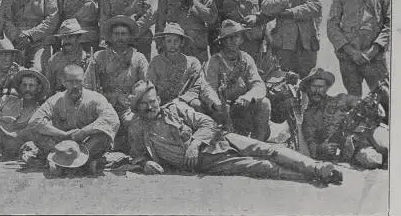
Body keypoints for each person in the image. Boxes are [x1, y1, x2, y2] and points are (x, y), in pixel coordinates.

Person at [125, 81, 342, 185]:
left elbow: (206, 122)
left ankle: (317, 167)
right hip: (206, 163)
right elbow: (134, 153)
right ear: (136, 108)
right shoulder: (137, 127)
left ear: (158, 100)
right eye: (143, 104)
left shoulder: (175, 108)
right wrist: (144, 163)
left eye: (152, 101)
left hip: (220, 139)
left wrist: (194, 143)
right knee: (261, 166)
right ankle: (312, 178)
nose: (150, 107)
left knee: (268, 149)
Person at [28, 64, 120, 171]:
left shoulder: (95, 98)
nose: (75, 85)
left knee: (104, 135)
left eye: (78, 81)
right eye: (70, 82)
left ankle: (64, 163)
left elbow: (112, 119)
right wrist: (62, 134)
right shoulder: (55, 100)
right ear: (63, 82)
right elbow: (34, 122)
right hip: (62, 144)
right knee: (36, 132)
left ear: (83, 80)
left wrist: (84, 131)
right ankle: (76, 162)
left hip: (88, 144)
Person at [327, 0, 390, 97]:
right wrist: (351, 52)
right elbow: (332, 26)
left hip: (375, 58)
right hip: (349, 59)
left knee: (385, 99)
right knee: (354, 102)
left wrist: (373, 50)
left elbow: (390, 23)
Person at [301, 68, 386, 169]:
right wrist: (321, 149)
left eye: (320, 87)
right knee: (371, 159)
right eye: (313, 86)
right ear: (308, 88)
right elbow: (310, 143)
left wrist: (366, 103)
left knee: (385, 140)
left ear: (327, 88)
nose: (317, 91)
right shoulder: (308, 116)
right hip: (349, 152)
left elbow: (356, 102)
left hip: (365, 136)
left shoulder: (341, 99)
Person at [204, 20, 270, 141]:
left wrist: (248, 97)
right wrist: (216, 103)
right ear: (222, 41)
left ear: (241, 39)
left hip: (243, 105)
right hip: (222, 108)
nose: (233, 41)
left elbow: (258, 85)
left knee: (265, 104)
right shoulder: (215, 61)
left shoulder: (246, 59)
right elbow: (208, 87)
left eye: (237, 36)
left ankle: (258, 144)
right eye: (229, 38)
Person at [147, 23, 217, 112]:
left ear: (182, 43)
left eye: (176, 41)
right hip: (161, 103)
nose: (172, 45)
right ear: (164, 42)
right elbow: (150, 85)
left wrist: (184, 99)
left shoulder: (192, 62)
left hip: (186, 102)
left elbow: (197, 85)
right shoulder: (156, 62)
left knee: (198, 105)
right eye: (169, 41)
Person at [93, 15, 148, 119]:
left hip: (129, 108)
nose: (120, 38)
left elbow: (147, 85)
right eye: (116, 34)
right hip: (104, 106)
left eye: (124, 34)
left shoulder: (139, 58)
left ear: (130, 36)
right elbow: (89, 84)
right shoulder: (99, 56)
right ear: (111, 36)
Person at [44, 18, 97, 93]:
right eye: (64, 37)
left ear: (79, 38)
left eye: (71, 36)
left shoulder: (88, 60)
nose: (67, 40)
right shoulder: (54, 60)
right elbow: (49, 88)